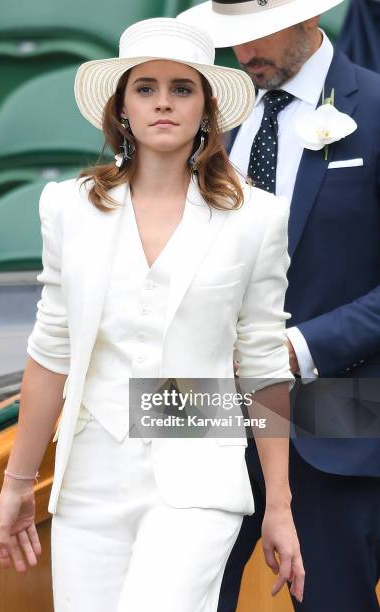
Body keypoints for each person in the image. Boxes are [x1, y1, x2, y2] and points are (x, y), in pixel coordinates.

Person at [0, 17, 305, 612]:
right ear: (122, 107)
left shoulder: (257, 218)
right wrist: (17, 483)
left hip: (197, 480)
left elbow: (264, 368)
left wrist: (280, 509)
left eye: (182, 89)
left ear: (207, 108)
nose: (164, 103)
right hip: (89, 482)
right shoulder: (66, 208)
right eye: (146, 88)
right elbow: (51, 352)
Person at [178, 1, 380, 611]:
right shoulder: (208, 118)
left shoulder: (375, 107)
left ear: (310, 18)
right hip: (204, 421)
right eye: (229, 38)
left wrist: (295, 350)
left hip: (337, 420)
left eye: (257, 34)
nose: (243, 54)